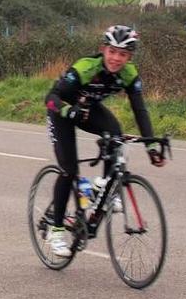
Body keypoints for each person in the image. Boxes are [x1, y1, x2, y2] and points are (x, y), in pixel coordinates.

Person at [44, 25, 165, 258]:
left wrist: (151, 145)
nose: (116, 58)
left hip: (89, 109)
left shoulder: (129, 74)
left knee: (116, 135)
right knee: (69, 170)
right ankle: (56, 230)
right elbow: (50, 98)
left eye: (122, 54)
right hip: (63, 111)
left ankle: (104, 187)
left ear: (129, 57)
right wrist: (69, 112)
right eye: (112, 51)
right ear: (103, 50)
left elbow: (140, 110)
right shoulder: (86, 68)